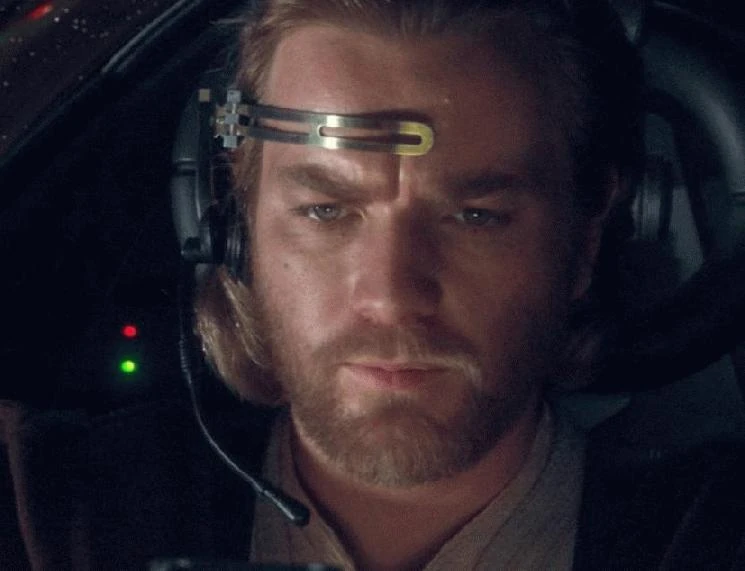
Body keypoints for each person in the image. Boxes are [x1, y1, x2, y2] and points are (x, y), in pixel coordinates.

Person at [3, 0, 745, 569]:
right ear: (232, 225)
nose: (390, 296)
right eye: (325, 210)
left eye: (475, 216)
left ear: (586, 239)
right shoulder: (54, 513)